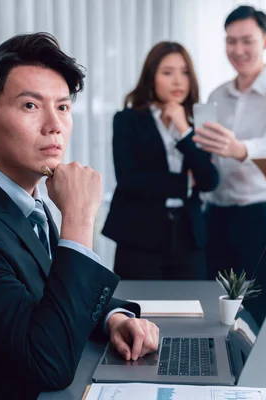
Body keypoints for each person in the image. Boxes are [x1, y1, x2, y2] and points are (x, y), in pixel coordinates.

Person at [0, 33, 159, 400]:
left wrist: (112, 318)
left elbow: (49, 294)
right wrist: (79, 219)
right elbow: (48, 364)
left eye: (63, 107)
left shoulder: (24, 204)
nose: (54, 125)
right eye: (31, 106)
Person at [193, 5, 266, 279]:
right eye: (231, 41)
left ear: (265, 41)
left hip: (262, 214)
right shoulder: (217, 93)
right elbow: (204, 149)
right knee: (213, 299)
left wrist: (239, 149)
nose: (238, 50)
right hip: (216, 213)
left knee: (265, 305)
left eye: (247, 41)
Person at [102, 41, 219, 280]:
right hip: (139, 236)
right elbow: (128, 179)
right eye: (168, 72)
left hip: (189, 235)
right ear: (151, 76)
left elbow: (208, 180)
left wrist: (184, 130)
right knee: (139, 311)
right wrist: (184, 184)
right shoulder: (127, 120)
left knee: (193, 310)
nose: (178, 81)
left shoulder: (201, 120)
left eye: (185, 72)